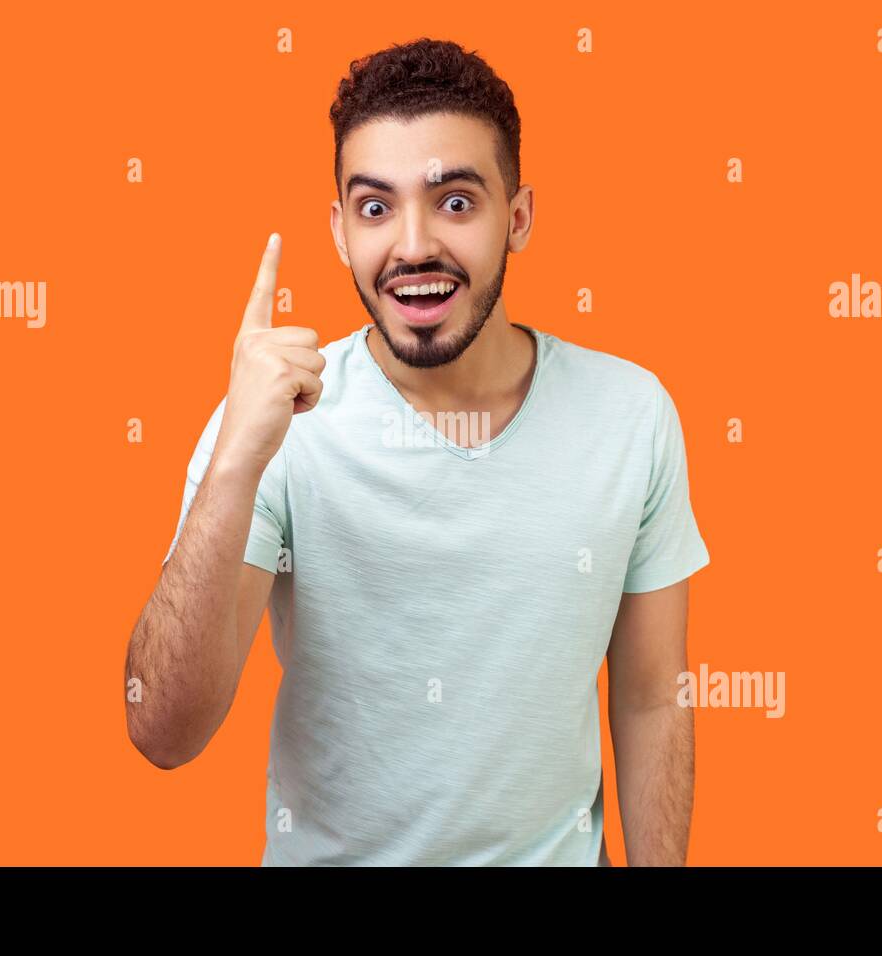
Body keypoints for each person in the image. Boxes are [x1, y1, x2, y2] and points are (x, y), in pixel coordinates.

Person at [125, 37, 710, 866]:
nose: (412, 247)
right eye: (375, 208)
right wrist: (234, 459)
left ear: (519, 217)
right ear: (338, 231)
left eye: (456, 203)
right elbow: (163, 732)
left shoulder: (632, 414)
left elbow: (652, 697)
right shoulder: (271, 428)